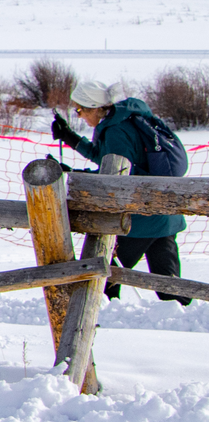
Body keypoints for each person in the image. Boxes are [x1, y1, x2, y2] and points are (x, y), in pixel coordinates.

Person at [52, 79, 191, 306]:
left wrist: (74, 173)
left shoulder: (116, 130)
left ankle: (100, 315)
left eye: (79, 110)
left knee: (100, 271)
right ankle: (188, 317)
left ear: (95, 108)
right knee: (169, 288)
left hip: (139, 220)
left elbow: (116, 178)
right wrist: (71, 138)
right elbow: (107, 159)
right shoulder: (123, 120)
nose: (78, 116)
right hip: (163, 216)